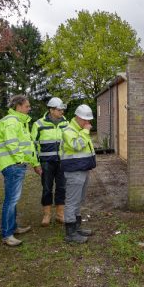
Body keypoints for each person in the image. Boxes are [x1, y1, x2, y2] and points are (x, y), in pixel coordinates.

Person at [0, 95, 42, 247]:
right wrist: (20, 160)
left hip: (16, 165)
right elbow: (11, 143)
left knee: (13, 199)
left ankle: (13, 228)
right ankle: (7, 234)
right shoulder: (11, 121)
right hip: (13, 165)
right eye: (27, 106)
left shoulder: (20, 122)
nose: (29, 108)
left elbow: (28, 146)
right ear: (19, 107)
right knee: (11, 200)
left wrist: (34, 163)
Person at [60, 104, 96, 243]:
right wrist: (86, 131)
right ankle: (70, 233)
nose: (88, 123)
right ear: (78, 118)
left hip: (82, 169)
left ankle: (77, 228)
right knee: (72, 201)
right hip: (74, 171)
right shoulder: (69, 131)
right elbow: (77, 145)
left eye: (88, 121)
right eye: (86, 120)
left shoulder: (80, 129)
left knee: (79, 200)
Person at [31, 97, 68, 226]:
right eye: (59, 110)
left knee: (62, 188)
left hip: (62, 162)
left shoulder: (66, 124)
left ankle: (60, 214)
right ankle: (47, 215)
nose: (62, 112)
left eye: (62, 109)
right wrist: (36, 164)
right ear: (51, 110)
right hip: (46, 163)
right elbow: (33, 146)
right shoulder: (39, 124)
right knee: (47, 188)